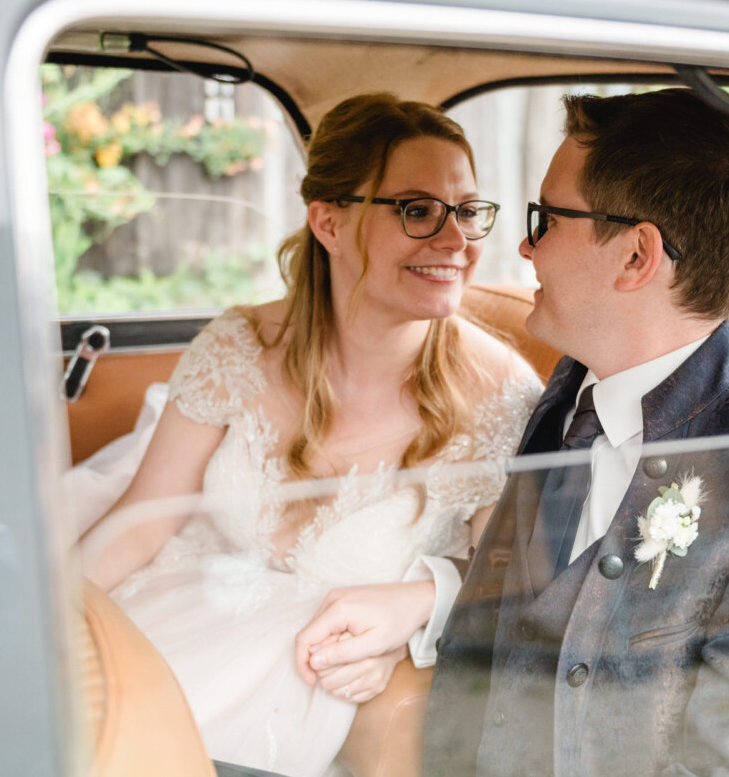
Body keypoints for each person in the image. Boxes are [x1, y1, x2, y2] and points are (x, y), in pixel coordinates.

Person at [296, 88, 729, 777]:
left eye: (548, 220)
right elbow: (524, 600)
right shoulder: (568, 393)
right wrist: (423, 600)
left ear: (636, 257)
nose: (525, 246)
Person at [73, 92, 542, 776]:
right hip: (178, 613)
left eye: (469, 212)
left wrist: (408, 613)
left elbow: (508, 580)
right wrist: (52, 617)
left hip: (300, 684)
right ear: (327, 220)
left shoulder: (500, 394)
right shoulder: (239, 343)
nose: (455, 242)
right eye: (418, 210)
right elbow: (144, 520)